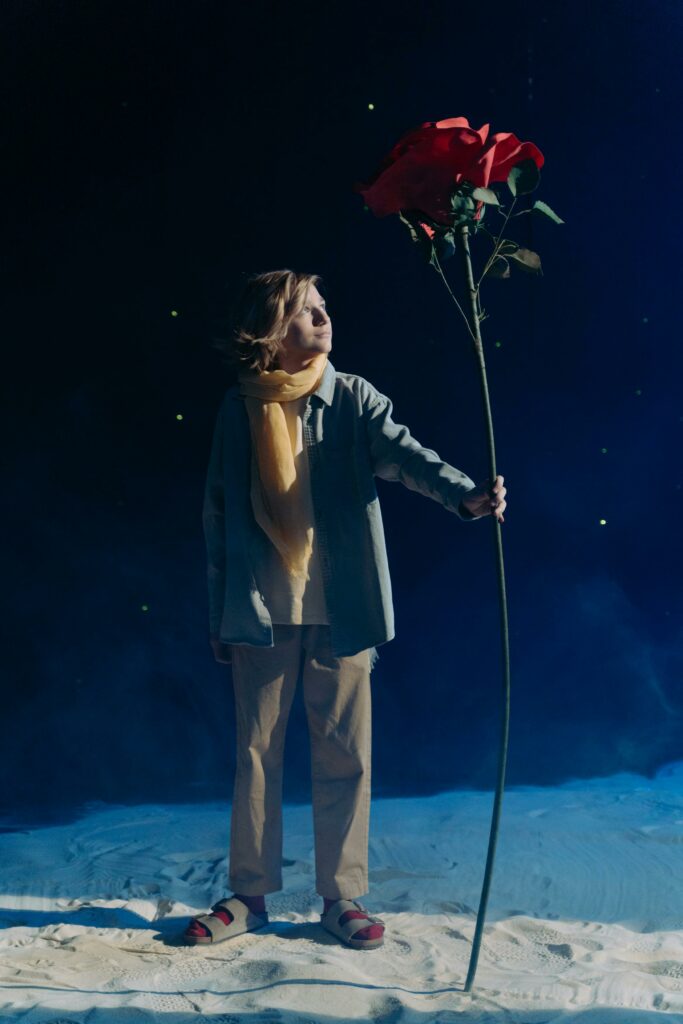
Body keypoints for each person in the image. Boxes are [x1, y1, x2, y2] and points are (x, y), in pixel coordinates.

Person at [184, 269, 507, 951]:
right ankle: (250, 894)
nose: (323, 319)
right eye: (306, 311)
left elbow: (403, 454)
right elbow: (217, 516)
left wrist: (463, 495)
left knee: (345, 754)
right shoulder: (237, 409)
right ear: (271, 330)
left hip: (344, 607)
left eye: (324, 308)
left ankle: (341, 896)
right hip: (259, 610)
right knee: (255, 754)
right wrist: (220, 612)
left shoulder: (351, 397)